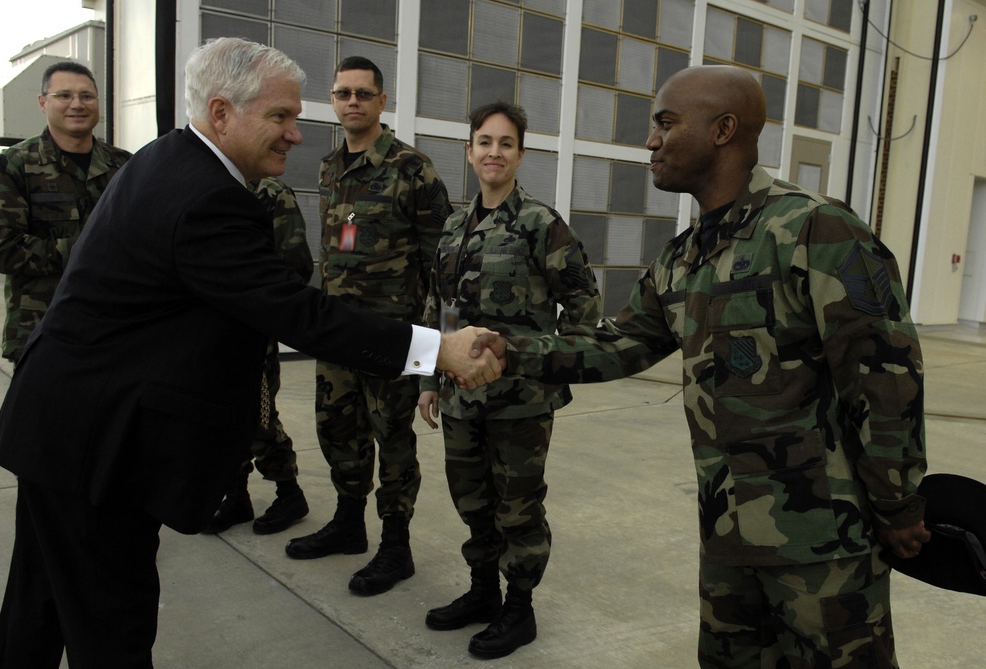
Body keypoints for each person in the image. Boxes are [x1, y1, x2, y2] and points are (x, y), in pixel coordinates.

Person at [0, 37, 502, 669]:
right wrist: (437, 350)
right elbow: (295, 310)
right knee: (110, 627)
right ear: (223, 113)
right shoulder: (207, 197)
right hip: (96, 445)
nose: (295, 134)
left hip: (64, 427)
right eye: (280, 117)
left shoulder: (165, 160)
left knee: (36, 610)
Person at [473, 65, 931, 667]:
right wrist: (512, 350)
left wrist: (899, 504)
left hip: (823, 545)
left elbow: (885, 376)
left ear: (723, 129)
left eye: (665, 123)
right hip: (727, 536)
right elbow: (620, 344)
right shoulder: (684, 255)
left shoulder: (814, 230)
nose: (651, 141)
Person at [417, 101, 601, 659]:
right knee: (471, 500)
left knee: (517, 506)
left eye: (505, 143)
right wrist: (428, 377)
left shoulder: (542, 224)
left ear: (520, 154)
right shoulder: (453, 225)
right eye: (484, 142)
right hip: (459, 397)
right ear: (469, 151)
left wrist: (547, 370)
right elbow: (441, 307)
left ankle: (519, 610)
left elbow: (585, 307)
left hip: (519, 402)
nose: (493, 152)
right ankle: (482, 593)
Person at [284, 56, 453, 598]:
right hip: (338, 333)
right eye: (342, 93)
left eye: (362, 93)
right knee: (338, 428)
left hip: (394, 339)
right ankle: (349, 523)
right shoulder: (330, 167)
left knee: (393, 440)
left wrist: (430, 348)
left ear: (382, 101)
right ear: (333, 103)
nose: (352, 101)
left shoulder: (413, 169)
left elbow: (440, 266)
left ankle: (396, 545)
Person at [0, 61, 131, 365]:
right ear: (43, 102)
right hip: (42, 330)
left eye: (87, 96)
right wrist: (83, 251)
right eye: (64, 95)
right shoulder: (14, 165)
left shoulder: (126, 166)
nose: (77, 104)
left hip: (113, 329)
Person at [203, 177, 313, 535]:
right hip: (210, 328)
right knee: (219, 416)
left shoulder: (270, 193)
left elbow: (295, 267)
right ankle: (235, 495)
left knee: (259, 415)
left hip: (250, 329)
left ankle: (289, 493)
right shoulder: (205, 185)